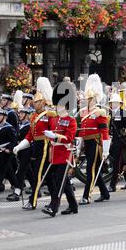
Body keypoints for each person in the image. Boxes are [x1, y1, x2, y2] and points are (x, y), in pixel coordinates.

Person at [14, 77, 54, 210]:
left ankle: (33, 201)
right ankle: (55, 199)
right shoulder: (33, 116)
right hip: (36, 147)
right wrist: (19, 146)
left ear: (42, 102)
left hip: (45, 146)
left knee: (38, 174)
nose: (33, 104)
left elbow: (55, 132)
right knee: (48, 176)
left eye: (36, 102)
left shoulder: (49, 114)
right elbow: (30, 135)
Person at [41, 82, 78, 217]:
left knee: (60, 182)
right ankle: (73, 205)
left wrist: (55, 136)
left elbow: (69, 138)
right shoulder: (54, 119)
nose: (58, 108)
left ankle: (54, 207)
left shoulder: (71, 120)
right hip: (54, 154)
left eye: (60, 105)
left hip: (65, 155)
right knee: (63, 181)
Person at [77, 74, 111, 205]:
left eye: (90, 98)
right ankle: (104, 192)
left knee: (90, 169)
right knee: (95, 170)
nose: (88, 100)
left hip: (96, 144)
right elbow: (81, 131)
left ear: (95, 98)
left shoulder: (99, 112)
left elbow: (104, 132)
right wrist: (79, 146)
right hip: (87, 143)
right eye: (87, 98)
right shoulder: (83, 112)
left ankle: (87, 195)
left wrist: (106, 149)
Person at [107, 92, 126, 192]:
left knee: (116, 164)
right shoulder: (112, 114)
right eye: (112, 103)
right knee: (122, 162)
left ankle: (112, 185)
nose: (113, 105)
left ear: (120, 104)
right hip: (115, 141)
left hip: (123, 142)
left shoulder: (125, 113)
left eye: (115, 103)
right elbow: (111, 129)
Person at [0, 109, 19, 194]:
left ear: (4, 117)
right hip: (0, 151)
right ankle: (16, 185)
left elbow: (14, 140)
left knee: (1, 169)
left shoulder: (9, 127)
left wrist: (9, 148)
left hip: (7, 152)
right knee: (8, 170)